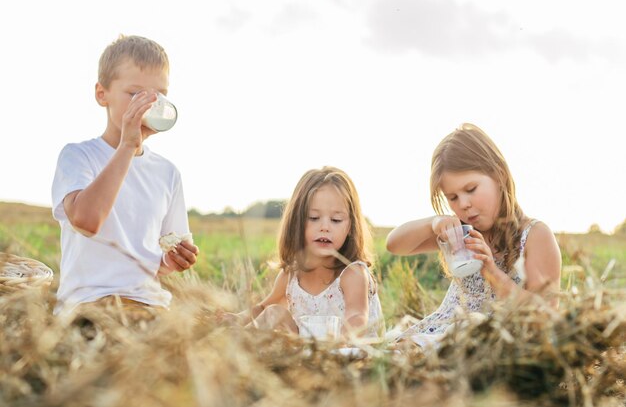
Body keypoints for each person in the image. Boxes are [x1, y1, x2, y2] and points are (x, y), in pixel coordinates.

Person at [51, 35, 199, 314]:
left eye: (158, 96)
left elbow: (159, 260)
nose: (147, 106)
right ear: (101, 94)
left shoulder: (167, 173)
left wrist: (174, 260)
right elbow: (86, 221)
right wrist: (128, 146)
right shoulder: (78, 156)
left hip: (149, 305)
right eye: (135, 94)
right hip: (90, 304)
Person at [386, 123, 561, 342]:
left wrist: (493, 274)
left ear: (499, 175)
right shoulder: (460, 234)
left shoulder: (534, 236)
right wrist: (434, 222)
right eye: (453, 198)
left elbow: (546, 314)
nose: (464, 204)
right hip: (443, 333)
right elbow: (394, 244)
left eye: (471, 189)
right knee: (389, 352)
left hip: (489, 343)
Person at [226, 167, 385, 339]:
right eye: (314, 218)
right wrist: (237, 319)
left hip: (349, 352)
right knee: (273, 313)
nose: (325, 227)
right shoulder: (291, 275)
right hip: (308, 354)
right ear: (297, 222)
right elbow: (263, 308)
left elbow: (357, 315)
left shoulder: (353, 273)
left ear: (350, 227)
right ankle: (237, 345)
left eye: (336, 220)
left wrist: (343, 341)